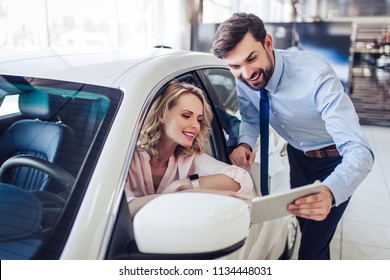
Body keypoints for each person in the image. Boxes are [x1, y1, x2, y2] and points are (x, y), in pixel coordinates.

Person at [212, 13, 374, 260]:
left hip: (335, 161)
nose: (246, 74)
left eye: (251, 58)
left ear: (268, 43)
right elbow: (253, 118)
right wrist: (245, 142)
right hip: (298, 158)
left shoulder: (314, 75)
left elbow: (359, 150)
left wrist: (331, 192)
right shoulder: (244, 79)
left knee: (311, 249)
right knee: (305, 225)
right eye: (235, 66)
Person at [125, 81, 254, 217]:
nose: (195, 126)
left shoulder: (189, 157)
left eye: (199, 119)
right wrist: (179, 195)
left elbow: (243, 179)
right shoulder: (128, 157)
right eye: (186, 116)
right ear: (162, 115)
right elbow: (124, 209)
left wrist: (183, 185)